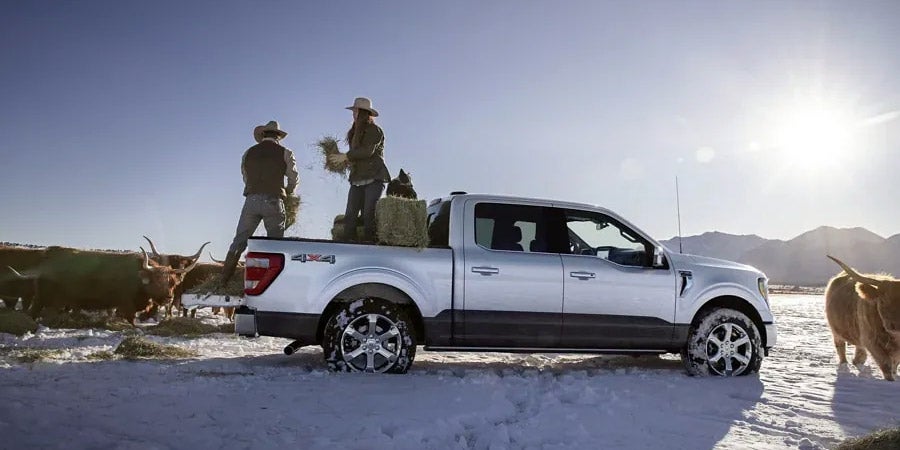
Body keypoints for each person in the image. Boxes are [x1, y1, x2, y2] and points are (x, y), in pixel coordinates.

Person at [220, 120, 298, 284]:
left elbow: (245, 176)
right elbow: (293, 177)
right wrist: (289, 192)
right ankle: (272, 282)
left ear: (262, 135)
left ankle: (223, 279)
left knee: (239, 240)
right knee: (275, 243)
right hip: (273, 200)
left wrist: (254, 188)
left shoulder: (248, 153)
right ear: (278, 137)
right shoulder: (285, 152)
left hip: (251, 200)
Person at [329, 97, 390, 242]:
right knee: (350, 214)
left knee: (368, 214)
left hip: (374, 178)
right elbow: (356, 156)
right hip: (357, 179)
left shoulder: (375, 130)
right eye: (353, 111)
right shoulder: (354, 133)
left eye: (356, 111)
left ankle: (370, 244)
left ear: (363, 113)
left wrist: (345, 156)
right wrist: (344, 161)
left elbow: (367, 151)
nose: (353, 114)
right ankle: (347, 244)